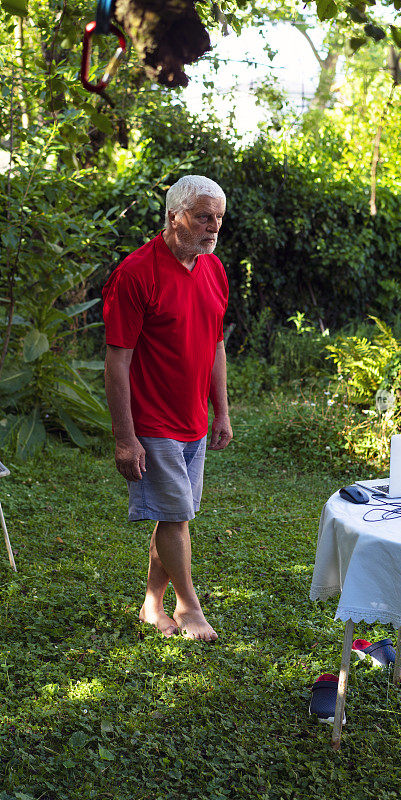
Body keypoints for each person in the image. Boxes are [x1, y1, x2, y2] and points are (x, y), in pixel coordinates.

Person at [102, 175, 232, 642]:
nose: (213, 226)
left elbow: (215, 345)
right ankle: (189, 607)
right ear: (175, 215)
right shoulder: (136, 273)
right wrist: (125, 437)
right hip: (153, 421)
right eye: (203, 216)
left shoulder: (213, 268)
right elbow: (118, 360)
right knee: (176, 515)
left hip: (195, 418)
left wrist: (222, 411)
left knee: (171, 514)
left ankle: (152, 603)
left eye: (218, 217)